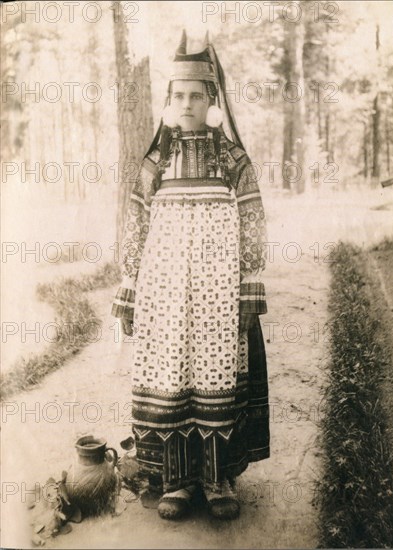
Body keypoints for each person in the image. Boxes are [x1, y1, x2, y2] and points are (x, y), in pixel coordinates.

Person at [112, 30, 270, 521]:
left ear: (212, 100)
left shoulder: (233, 162)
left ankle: (218, 479)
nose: (186, 103)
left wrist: (248, 285)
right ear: (168, 100)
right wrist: (130, 289)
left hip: (219, 293)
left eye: (196, 95)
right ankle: (177, 482)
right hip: (165, 295)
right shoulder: (155, 163)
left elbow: (253, 220)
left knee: (215, 383)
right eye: (178, 95)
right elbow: (135, 226)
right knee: (174, 378)